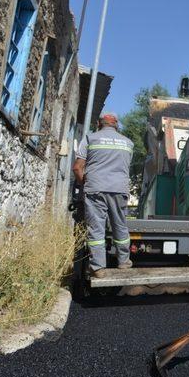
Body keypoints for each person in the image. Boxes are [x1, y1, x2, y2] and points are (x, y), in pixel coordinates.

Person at [72, 113, 134, 279]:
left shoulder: (90, 139)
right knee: (120, 225)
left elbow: (77, 168)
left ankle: (98, 268)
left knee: (97, 229)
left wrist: (85, 183)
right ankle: (124, 262)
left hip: (96, 189)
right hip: (119, 189)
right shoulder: (128, 143)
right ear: (116, 125)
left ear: (99, 125)